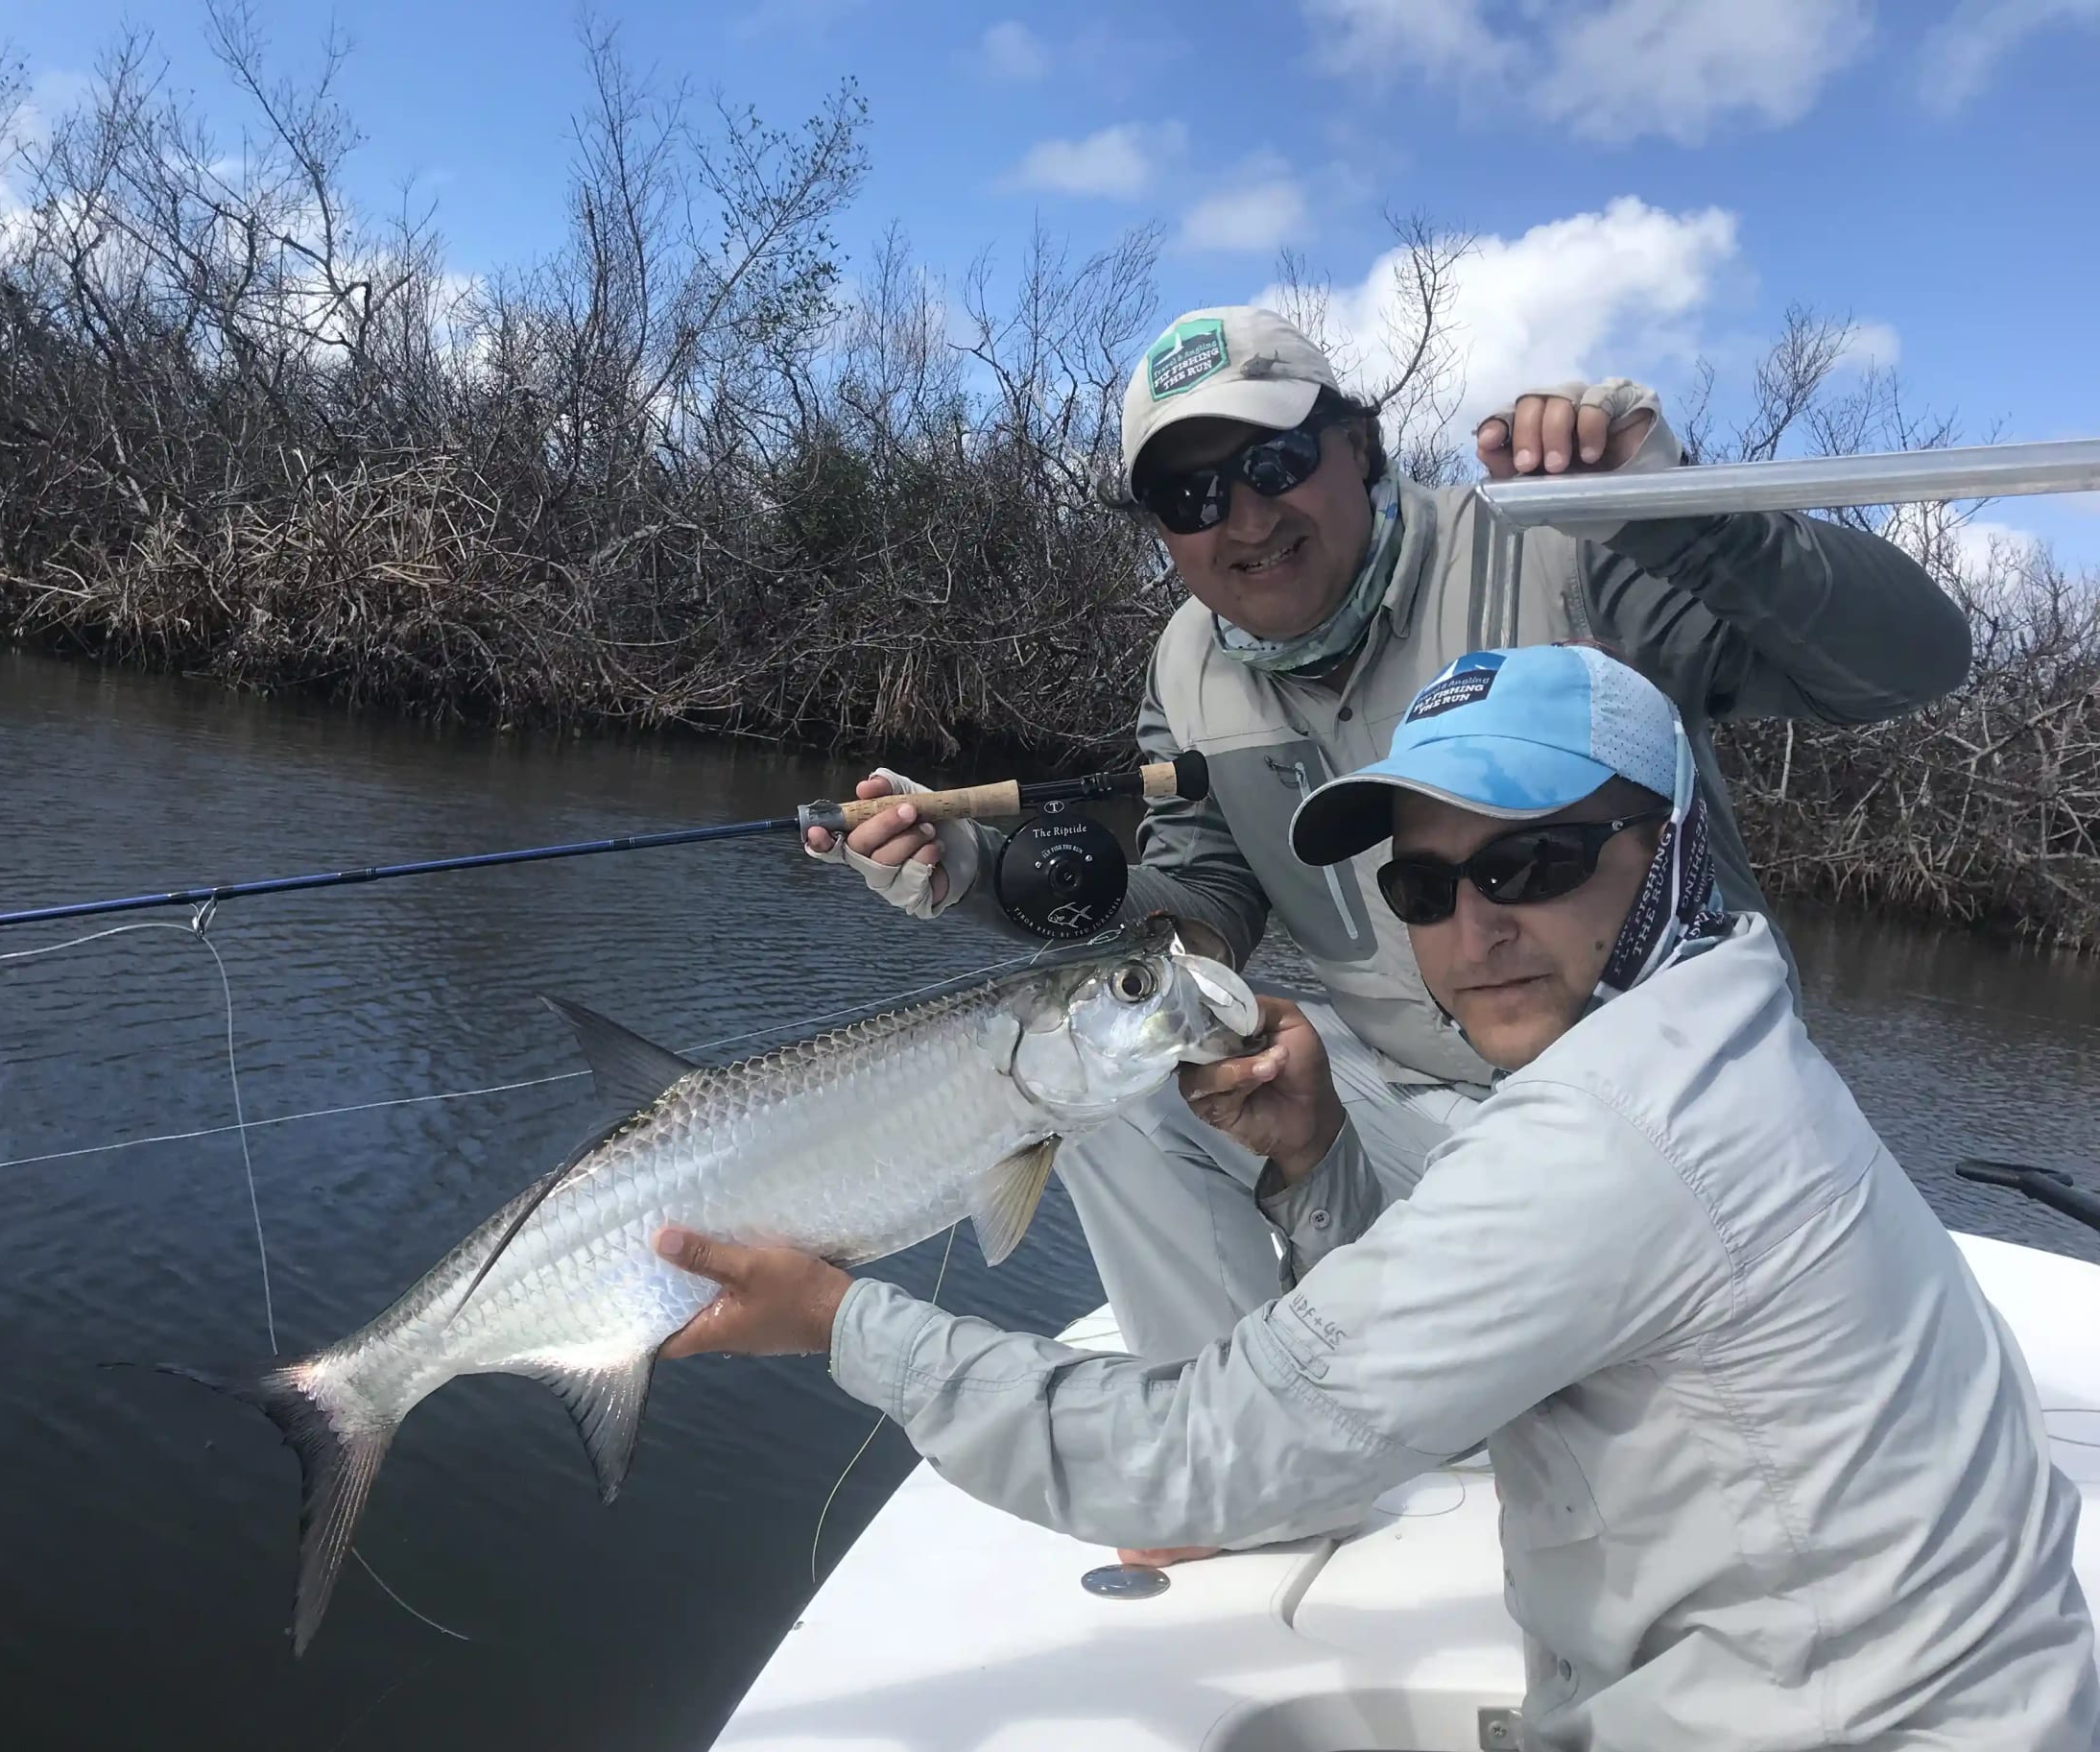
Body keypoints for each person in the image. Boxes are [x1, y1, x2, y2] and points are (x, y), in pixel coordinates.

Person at [663, 644, 2100, 1752]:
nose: (1474, 930)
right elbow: (1473, 1325)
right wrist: (1315, 1153)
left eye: (1531, 861)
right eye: (1423, 889)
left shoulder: (1608, 1138)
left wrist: (842, 1324)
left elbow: (1194, 1455)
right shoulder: (1715, 1029)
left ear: (1670, 846)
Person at [805, 305, 1974, 1370]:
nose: (1247, 520)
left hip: (1657, 1123)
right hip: (1410, 1110)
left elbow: (1913, 665)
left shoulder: (1563, 543)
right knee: (1107, 1072)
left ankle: (1371, 1393)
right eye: (1191, 498)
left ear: (1357, 446)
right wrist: (990, 883)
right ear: (1160, 530)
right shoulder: (1184, 662)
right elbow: (1202, 900)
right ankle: (1232, 1428)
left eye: (1272, 463)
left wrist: (1685, 522)